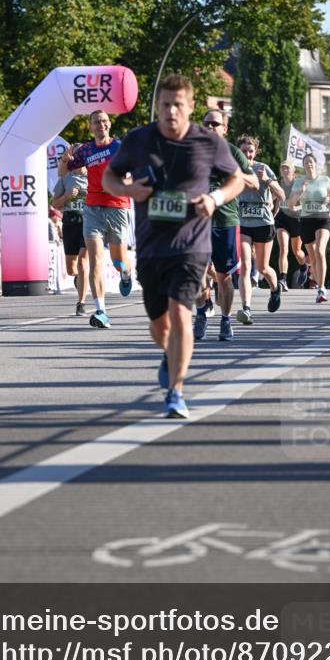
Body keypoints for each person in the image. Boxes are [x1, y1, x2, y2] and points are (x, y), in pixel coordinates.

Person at [102, 74, 244, 418]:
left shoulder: (208, 142)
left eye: (178, 105)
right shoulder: (138, 141)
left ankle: (176, 391)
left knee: (182, 314)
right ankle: (170, 352)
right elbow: (110, 176)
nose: (170, 112)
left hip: (192, 244)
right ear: (158, 106)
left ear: (191, 107)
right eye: (165, 105)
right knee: (160, 326)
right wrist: (127, 190)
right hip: (151, 248)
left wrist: (215, 198)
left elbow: (235, 178)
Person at [62, 111, 132, 329]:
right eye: (96, 122)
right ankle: (101, 311)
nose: (100, 124)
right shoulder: (86, 150)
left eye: (104, 121)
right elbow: (64, 172)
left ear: (109, 124)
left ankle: (127, 274)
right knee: (95, 261)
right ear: (91, 127)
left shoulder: (119, 147)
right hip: (92, 208)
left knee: (118, 260)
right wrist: (66, 157)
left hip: (117, 207)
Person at [193, 109, 257, 342]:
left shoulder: (234, 154)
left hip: (226, 222)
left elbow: (254, 182)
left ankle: (226, 319)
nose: (210, 128)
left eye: (215, 124)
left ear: (224, 128)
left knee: (225, 277)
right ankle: (201, 314)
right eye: (206, 124)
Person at [235, 135, 285, 324]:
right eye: (244, 150)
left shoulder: (263, 168)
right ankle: (246, 308)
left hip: (264, 222)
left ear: (255, 152)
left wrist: (267, 181)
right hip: (243, 222)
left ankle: (275, 289)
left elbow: (281, 194)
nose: (247, 154)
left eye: (251, 151)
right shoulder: (234, 169)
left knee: (263, 268)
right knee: (246, 266)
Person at [287, 153, 330, 303]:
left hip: (322, 218)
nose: (309, 164)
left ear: (316, 164)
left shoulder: (324, 180)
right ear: (303, 166)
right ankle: (317, 284)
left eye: (311, 162)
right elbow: (291, 205)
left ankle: (322, 288)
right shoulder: (299, 182)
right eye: (306, 162)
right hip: (306, 221)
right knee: (313, 257)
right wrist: (299, 193)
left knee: (320, 250)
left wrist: (329, 198)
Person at [52, 148, 89, 316]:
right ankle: (79, 279)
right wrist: (66, 196)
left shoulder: (93, 176)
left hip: (90, 222)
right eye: (76, 154)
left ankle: (81, 303)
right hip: (71, 222)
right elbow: (55, 205)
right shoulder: (65, 178)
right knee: (71, 269)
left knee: (82, 263)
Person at [275, 160, 309, 291]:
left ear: (293, 170)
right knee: (283, 249)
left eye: (287, 168)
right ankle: (282, 279)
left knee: (297, 252)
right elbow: (276, 201)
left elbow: (305, 204)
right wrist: (272, 213)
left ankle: (303, 266)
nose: (285, 170)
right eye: (283, 168)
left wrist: (296, 207)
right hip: (282, 219)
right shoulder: (278, 184)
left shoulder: (299, 184)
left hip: (296, 219)